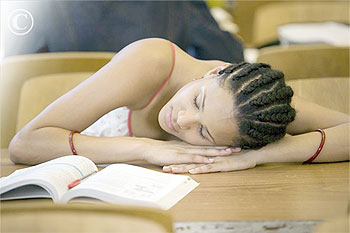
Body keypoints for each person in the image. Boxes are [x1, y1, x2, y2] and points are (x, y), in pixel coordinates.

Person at [9, 38, 349, 174]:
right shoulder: (152, 61)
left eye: (203, 132)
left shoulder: (259, 110)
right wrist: (146, 149)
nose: (180, 119)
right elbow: (25, 144)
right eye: (197, 99)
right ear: (214, 72)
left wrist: (259, 154)